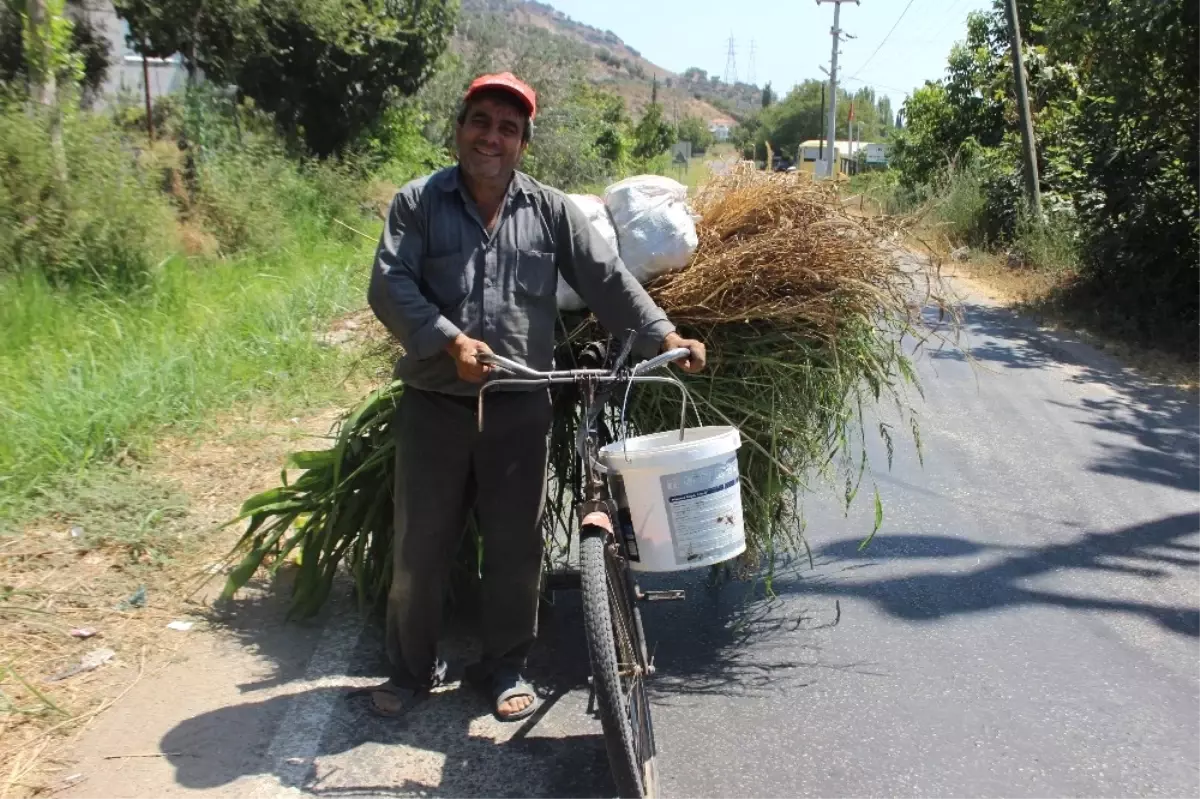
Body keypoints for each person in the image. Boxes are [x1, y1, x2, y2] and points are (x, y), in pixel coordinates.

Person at [365, 72, 705, 721]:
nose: (492, 136)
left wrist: (665, 332)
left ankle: (504, 666)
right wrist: (447, 341)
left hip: (521, 406)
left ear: (524, 142)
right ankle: (410, 670)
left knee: (517, 547)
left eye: (507, 128)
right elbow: (389, 284)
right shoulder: (419, 203)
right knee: (419, 546)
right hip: (436, 407)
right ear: (459, 127)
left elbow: (605, 281)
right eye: (481, 121)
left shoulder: (550, 210)